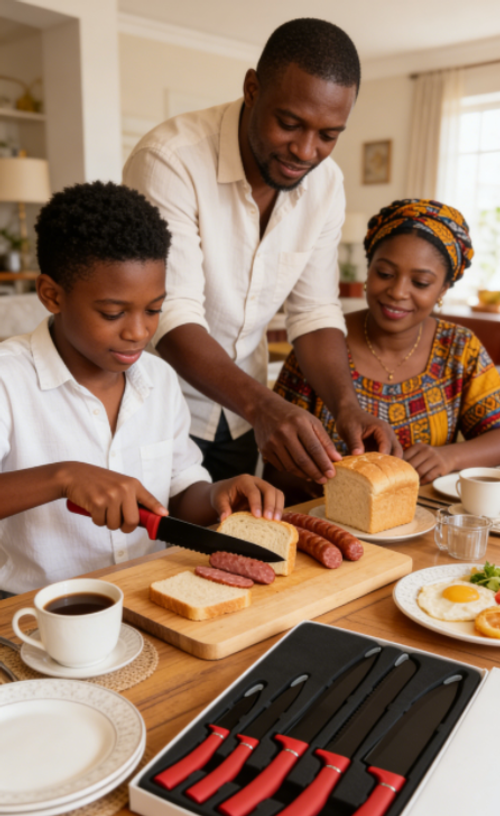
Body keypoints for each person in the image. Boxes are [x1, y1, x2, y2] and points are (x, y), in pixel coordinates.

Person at [123, 17, 400, 489]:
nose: (306, 151)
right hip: (157, 406)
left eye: (329, 135)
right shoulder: (170, 159)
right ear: (252, 88)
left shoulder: (326, 185)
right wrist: (265, 405)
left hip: (237, 413)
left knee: (222, 552)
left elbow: (313, 311)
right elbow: (171, 316)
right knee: (149, 556)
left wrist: (347, 407)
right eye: (289, 123)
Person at [0, 182, 283, 596]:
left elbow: (177, 494)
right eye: (113, 313)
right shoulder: (9, 378)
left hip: (146, 594)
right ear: (52, 295)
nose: (138, 332)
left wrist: (217, 495)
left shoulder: (159, 379)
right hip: (32, 609)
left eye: (153, 310)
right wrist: (63, 477)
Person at [269, 199, 500, 502]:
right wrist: (314, 477)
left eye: (420, 282)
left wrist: (449, 458)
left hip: (422, 524)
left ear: (443, 289)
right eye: (385, 273)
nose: (398, 291)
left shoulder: (459, 349)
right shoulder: (321, 341)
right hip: (325, 521)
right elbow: (273, 464)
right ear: (368, 270)